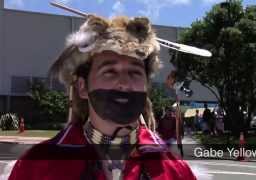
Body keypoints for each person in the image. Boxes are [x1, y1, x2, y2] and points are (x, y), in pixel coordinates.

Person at [8, 15, 196, 180]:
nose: (124, 82)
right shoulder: (37, 166)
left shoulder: (176, 172)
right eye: (110, 71)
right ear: (82, 87)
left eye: (135, 72)